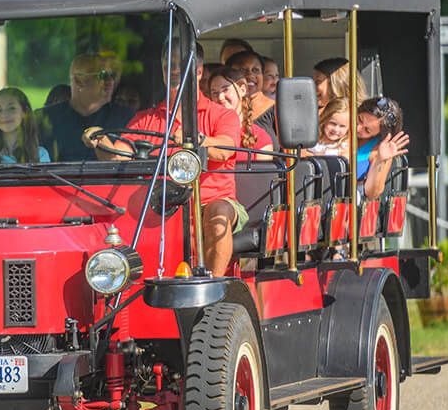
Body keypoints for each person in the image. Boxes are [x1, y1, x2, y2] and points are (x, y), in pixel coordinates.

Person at [88, 42, 245, 278]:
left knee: (219, 213)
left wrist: (196, 140)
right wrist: (98, 139)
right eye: (167, 66)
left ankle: (213, 287)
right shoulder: (145, 119)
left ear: (198, 72)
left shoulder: (222, 114)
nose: (173, 71)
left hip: (208, 204)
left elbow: (225, 149)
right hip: (159, 205)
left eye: (180, 65)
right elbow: (119, 155)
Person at [37, 54, 134, 161]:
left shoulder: (127, 119)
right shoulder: (42, 119)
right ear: (78, 81)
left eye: (113, 75)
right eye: (102, 75)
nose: (110, 81)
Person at [208, 66, 273, 162]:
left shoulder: (261, 138)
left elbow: (263, 171)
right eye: (215, 93)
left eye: (225, 89)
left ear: (242, 90)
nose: (220, 97)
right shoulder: (205, 132)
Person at [355, 96, 410, 200]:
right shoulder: (340, 124)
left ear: (377, 136)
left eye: (367, 130)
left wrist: (381, 161)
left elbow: (372, 193)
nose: (358, 128)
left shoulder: (377, 150)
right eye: (360, 119)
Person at [225, 50, 278, 149]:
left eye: (255, 70)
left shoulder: (277, 109)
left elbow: (294, 151)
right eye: (242, 70)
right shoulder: (222, 109)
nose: (250, 75)